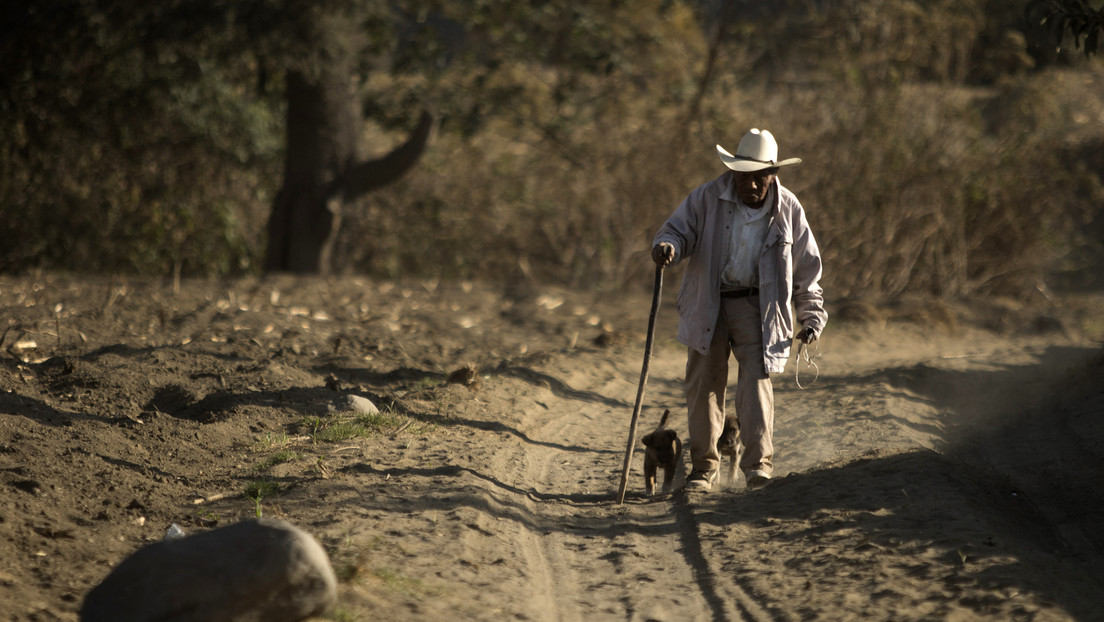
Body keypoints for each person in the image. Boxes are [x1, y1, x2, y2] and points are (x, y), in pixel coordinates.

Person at [651, 128, 827, 492]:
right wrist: (667, 246)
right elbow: (677, 231)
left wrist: (811, 316)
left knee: (756, 384)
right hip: (709, 303)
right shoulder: (706, 197)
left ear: (772, 175)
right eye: (744, 176)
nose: (751, 185)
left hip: (759, 308)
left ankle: (757, 468)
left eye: (760, 177)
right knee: (703, 386)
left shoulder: (789, 208)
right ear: (734, 172)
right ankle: (703, 468)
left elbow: (807, 268)